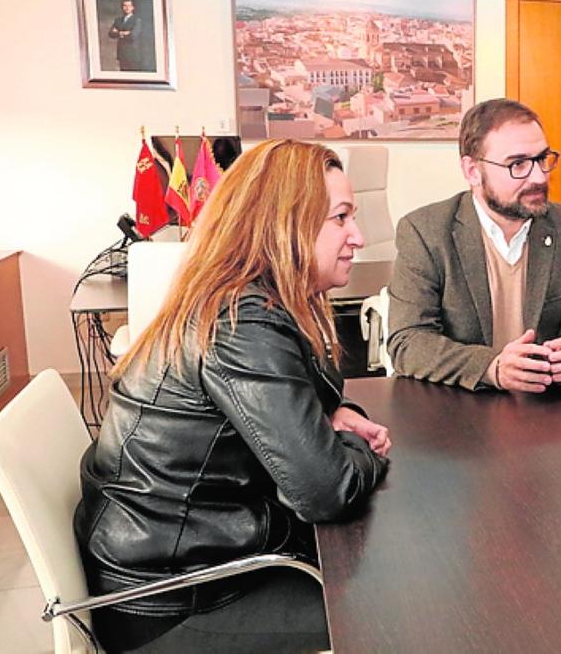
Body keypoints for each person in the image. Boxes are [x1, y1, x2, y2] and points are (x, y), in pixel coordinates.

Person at [75, 140, 392, 652]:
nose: (359, 235)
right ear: (282, 224)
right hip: (176, 602)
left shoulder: (250, 299)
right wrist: (361, 452)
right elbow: (324, 491)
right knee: (402, 612)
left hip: (187, 564)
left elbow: (295, 400)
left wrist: (335, 415)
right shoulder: (243, 323)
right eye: (340, 218)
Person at [387, 98, 561, 392]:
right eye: (518, 164)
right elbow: (409, 341)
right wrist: (492, 367)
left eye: (542, 159)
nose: (539, 176)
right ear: (472, 171)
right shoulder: (425, 232)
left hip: (549, 408)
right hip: (459, 411)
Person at [108, 0, 142, 71]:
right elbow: (111, 33)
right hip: (122, 53)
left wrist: (118, 32)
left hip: (133, 53)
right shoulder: (118, 20)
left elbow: (133, 35)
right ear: (122, 7)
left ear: (133, 7)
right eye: (125, 6)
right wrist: (123, 33)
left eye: (129, 6)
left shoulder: (137, 20)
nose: (127, 8)